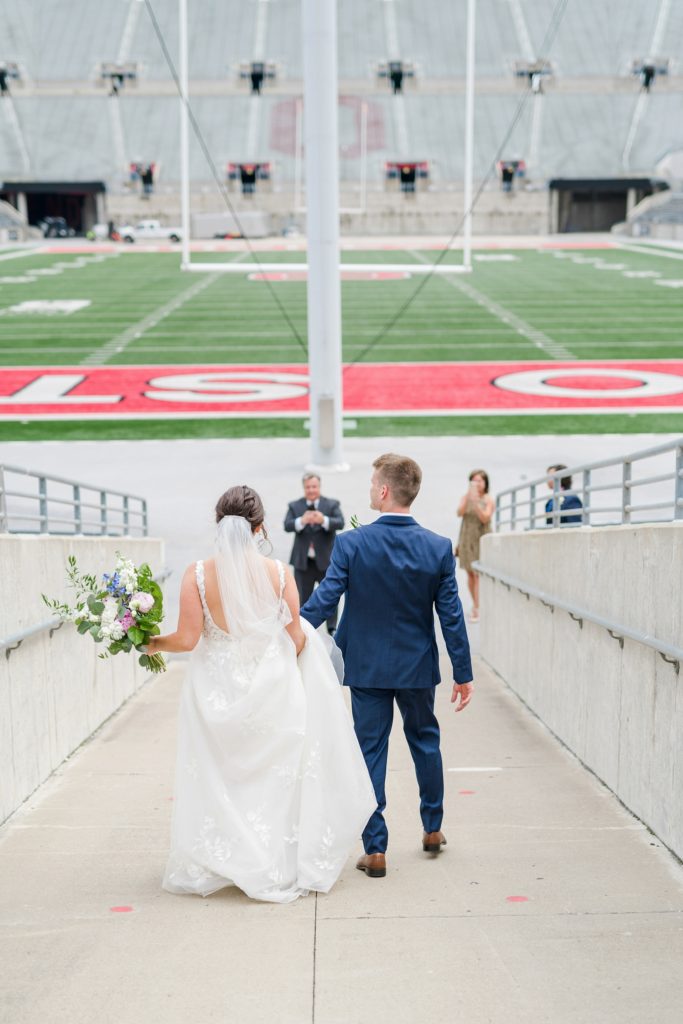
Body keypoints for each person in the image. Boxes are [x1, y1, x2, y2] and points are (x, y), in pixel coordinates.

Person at [148, 485, 375, 904]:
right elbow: (296, 638)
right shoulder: (279, 573)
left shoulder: (197, 575)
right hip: (272, 686)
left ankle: (224, 857)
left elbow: (187, 639)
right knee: (273, 777)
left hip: (214, 688)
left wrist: (150, 642)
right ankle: (269, 859)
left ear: (219, 523)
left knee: (220, 775)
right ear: (260, 527)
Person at [300, 454, 473, 880]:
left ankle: (375, 849)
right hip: (417, 666)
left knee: (369, 751)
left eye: (371, 483)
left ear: (383, 490)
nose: (369, 489)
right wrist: (463, 672)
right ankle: (432, 827)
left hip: (368, 667)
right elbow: (451, 616)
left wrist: (291, 632)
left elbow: (325, 599)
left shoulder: (352, 544)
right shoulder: (437, 548)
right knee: (425, 743)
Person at [284, 474, 344, 634]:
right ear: (304, 488)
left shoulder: (331, 504)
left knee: (330, 596)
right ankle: (304, 629)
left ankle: (332, 628)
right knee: (302, 598)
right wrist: (301, 521)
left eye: (314, 486)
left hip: (326, 562)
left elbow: (340, 522)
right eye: (308, 487)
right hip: (303, 563)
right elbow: (287, 525)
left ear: (319, 486)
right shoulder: (294, 505)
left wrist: (323, 520)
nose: (311, 490)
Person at [456, 469, 494, 624]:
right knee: (470, 573)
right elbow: (459, 513)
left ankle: (477, 608)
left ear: (485, 482)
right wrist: (468, 498)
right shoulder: (465, 497)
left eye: (480, 480)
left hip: (481, 537)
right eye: (474, 480)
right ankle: (476, 604)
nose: (477, 483)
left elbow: (485, 518)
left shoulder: (488, 499)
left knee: (478, 573)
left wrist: (477, 503)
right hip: (466, 537)